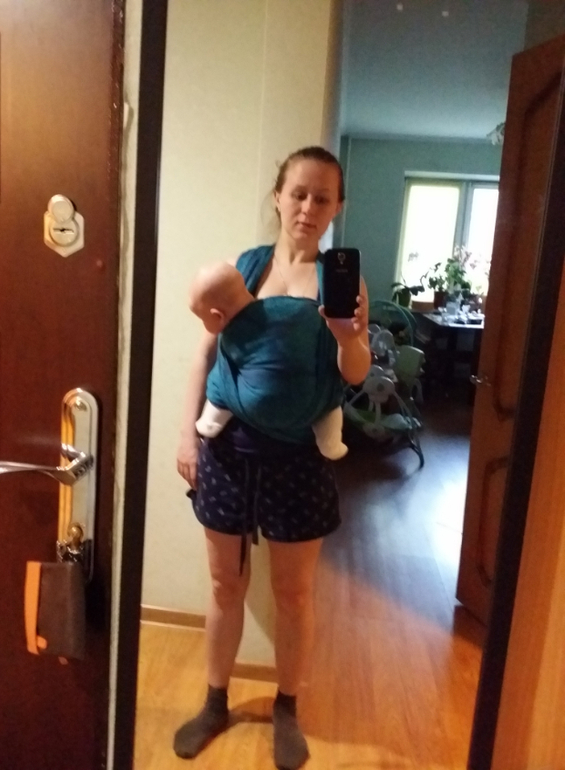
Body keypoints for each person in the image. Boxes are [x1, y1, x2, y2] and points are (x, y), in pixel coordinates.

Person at [175, 146, 370, 770]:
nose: (308, 207)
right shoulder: (246, 268)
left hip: (299, 461)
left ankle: (287, 708)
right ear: (279, 196)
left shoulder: (343, 281)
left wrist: (348, 338)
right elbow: (205, 354)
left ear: (337, 207)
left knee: (293, 594)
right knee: (223, 584)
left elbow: (356, 374)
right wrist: (187, 435)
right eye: (299, 193)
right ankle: (215, 701)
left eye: (323, 197)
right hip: (228, 452)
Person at [188, 260, 348, 460]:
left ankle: (210, 422)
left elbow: (215, 366)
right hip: (307, 411)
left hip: (251, 425)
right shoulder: (298, 310)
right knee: (331, 398)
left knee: (221, 378)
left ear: (218, 316)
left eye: (204, 320)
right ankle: (330, 442)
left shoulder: (231, 334)